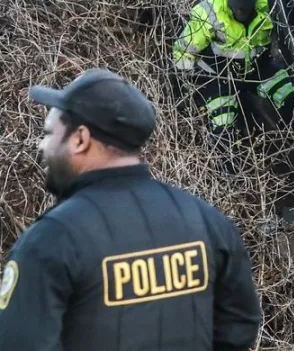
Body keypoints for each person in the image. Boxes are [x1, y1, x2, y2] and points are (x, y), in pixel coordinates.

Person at [0, 68, 262, 349]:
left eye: (49, 133)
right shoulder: (205, 221)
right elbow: (241, 324)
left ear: (80, 139)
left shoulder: (53, 240)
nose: (42, 145)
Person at [172, 0, 294, 139]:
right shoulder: (208, 12)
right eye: (236, 5)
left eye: (244, 6)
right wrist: (190, 83)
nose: (240, 11)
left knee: (292, 97)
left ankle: (293, 138)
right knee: (223, 128)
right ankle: (230, 161)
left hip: (257, 69)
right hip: (219, 76)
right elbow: (183, 50)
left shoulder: (270, 2)